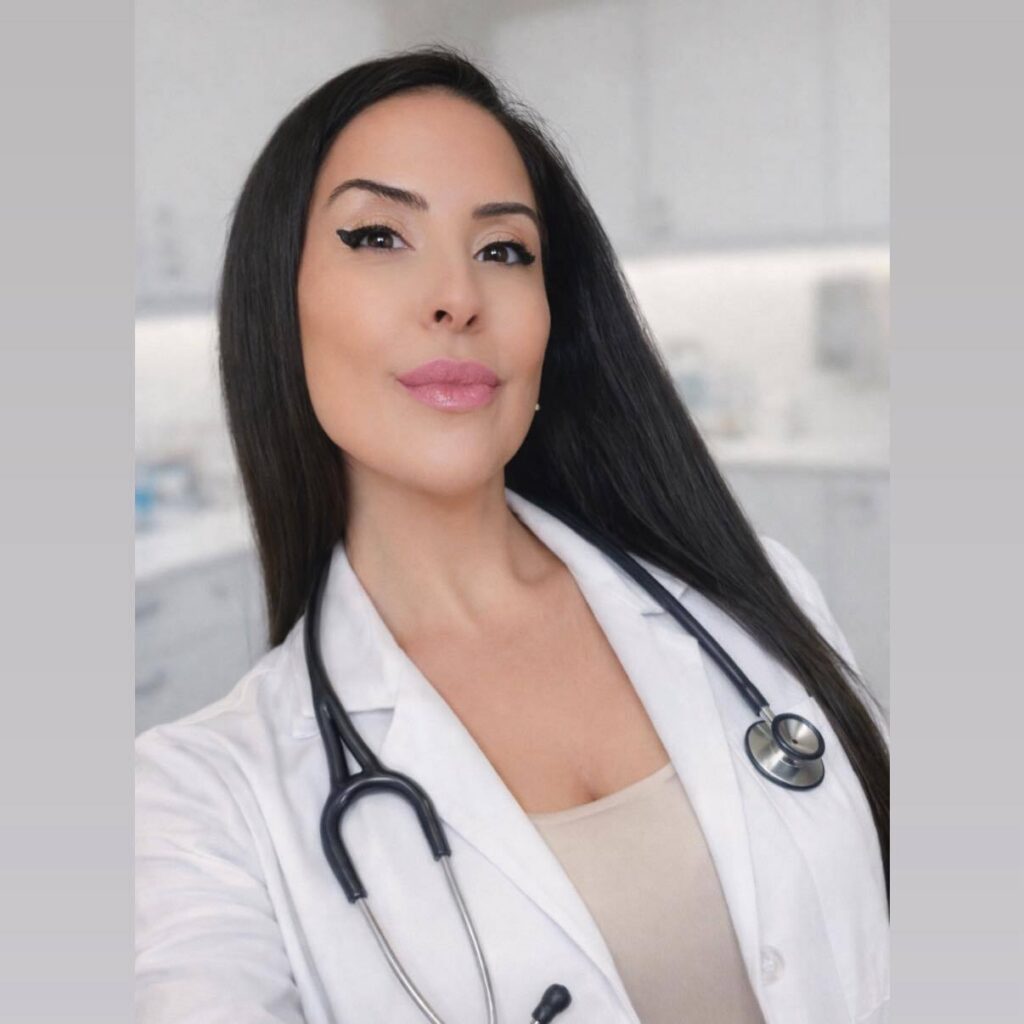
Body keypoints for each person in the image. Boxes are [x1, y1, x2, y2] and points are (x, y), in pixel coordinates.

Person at [135, 45, 890, 1024]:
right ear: (277, 304)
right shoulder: (201, 803)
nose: (459, 295)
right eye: (378, 235)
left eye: (503, 250)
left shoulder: (755, 602)